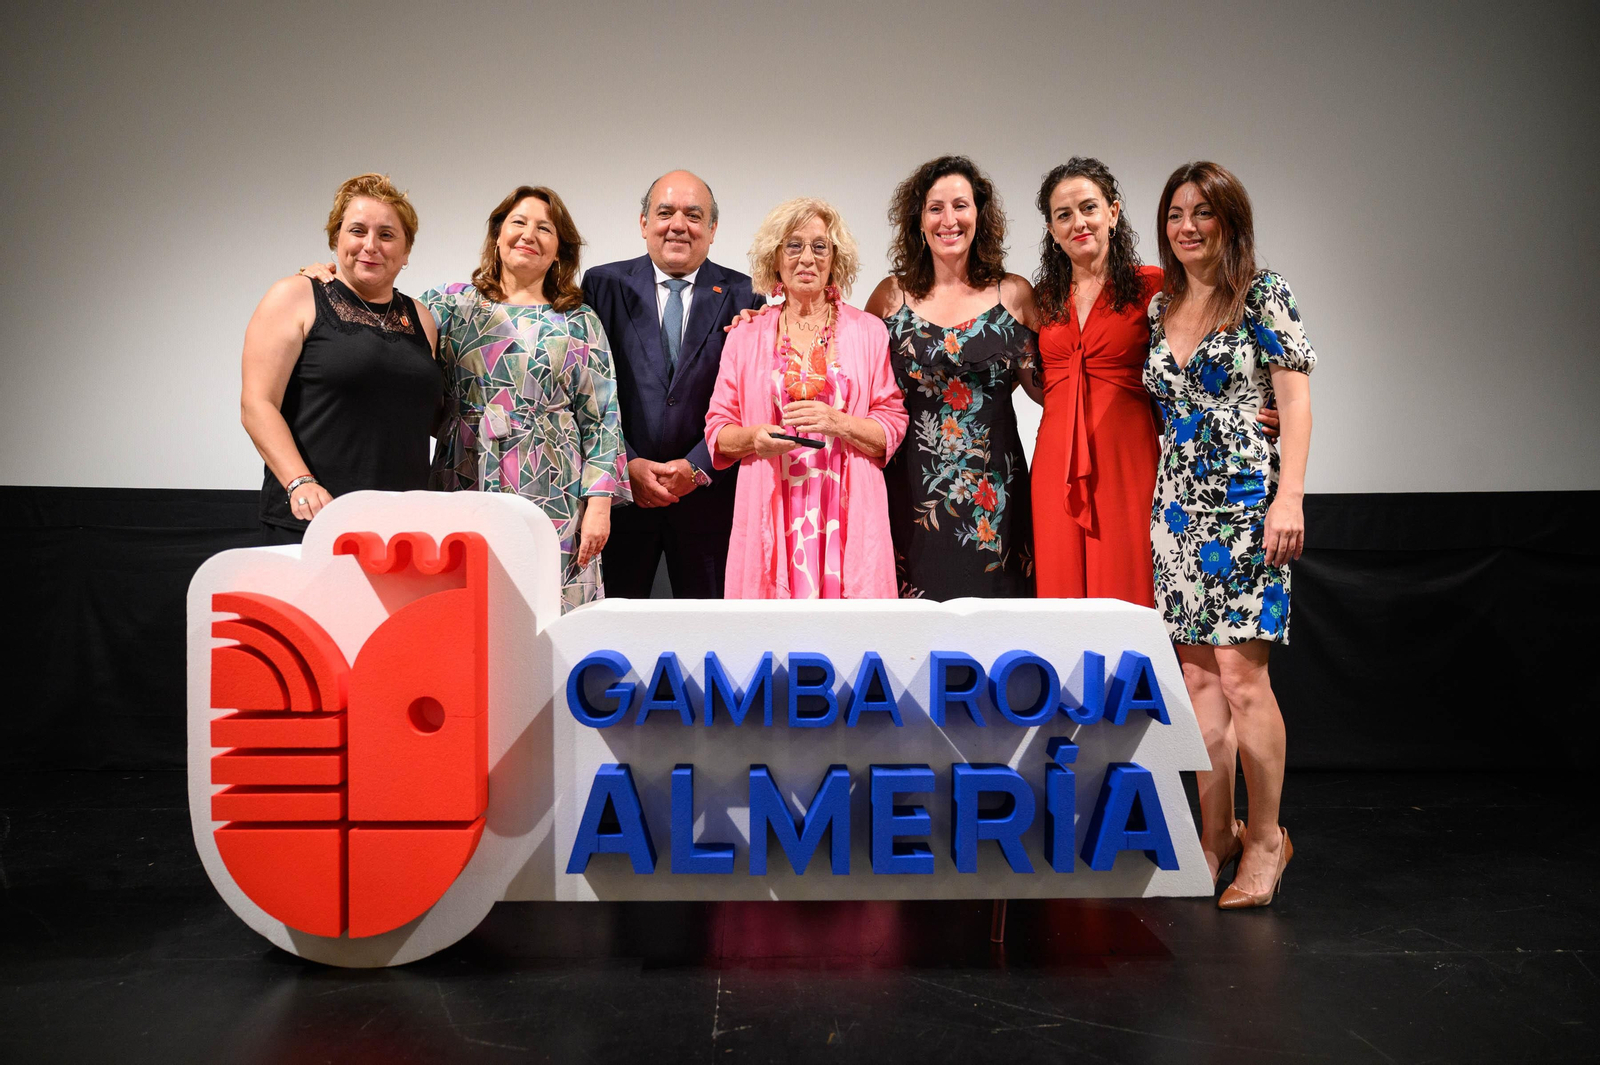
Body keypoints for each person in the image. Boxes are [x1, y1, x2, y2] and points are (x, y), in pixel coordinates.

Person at [1144, 161, 1316, 908]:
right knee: (1197, 684)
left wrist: (1290, 498)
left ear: (1230, 219)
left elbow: (1295, 403)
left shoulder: (1262, 293)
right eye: (1176, 213)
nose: (1187, 226)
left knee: (1244, 680)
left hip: (1246, 506)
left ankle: (1268, 839)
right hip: (1175, 511)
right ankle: (1216, 832)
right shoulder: (1162, 305)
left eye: (1202, 212)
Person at [1031, 158, 1278, 605]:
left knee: (1129, 588)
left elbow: (1213, 349)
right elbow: (1030, 378)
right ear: (1051, 229)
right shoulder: (1043, 300)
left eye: (1089, 207)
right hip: (1055, 461)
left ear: (1113, 212)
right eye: (1063, 215)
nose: (1078, 222)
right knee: (1058, 594)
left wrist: (1257, 405)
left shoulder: (1155, 288)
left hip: (1127, 456)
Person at [705, 198, 908, 598]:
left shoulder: (869, 331)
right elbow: (717, 430)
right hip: (773, 505)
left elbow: (892, 423)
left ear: (835, 259)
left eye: (820, 246)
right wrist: (754, 439)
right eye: (793, 245)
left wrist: (838, 423)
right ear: (775, 258)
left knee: (850, 632)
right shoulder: (745, 334)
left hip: (846, 510)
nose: (807, 258)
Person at [582, 171, 766, 599]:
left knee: (712, 633)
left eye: (694, 215)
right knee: (611, 630)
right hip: (621, 503)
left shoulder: (746, 296)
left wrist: (698, 467)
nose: (678, 225)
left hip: (709, 504)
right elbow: (588, 392)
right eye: (665, 213)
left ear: (712, 229)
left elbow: (749, 401)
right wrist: (626, 465)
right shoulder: (602, 285)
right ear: (643, 222)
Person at [862, 156, 1039, 600]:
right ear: (918, 220)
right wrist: (767, 322)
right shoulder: (890, 297)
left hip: (996, 503)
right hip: (909, 497)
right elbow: (853, 379)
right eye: (935, 208)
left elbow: (1050, 390)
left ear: (979, 213)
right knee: (913, 632)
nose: (949, 220)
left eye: (960, 206)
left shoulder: (1014, 294)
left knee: (999, 629)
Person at [242, 173, 441, 545]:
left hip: (400, 527)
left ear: (406, 252)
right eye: (357, 231)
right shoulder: (295, 296)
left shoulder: (421, 318)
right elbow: (257, 404)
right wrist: (299, 482)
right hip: (313, 520)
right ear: (336, 239)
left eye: (386, 235)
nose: (371, 245)